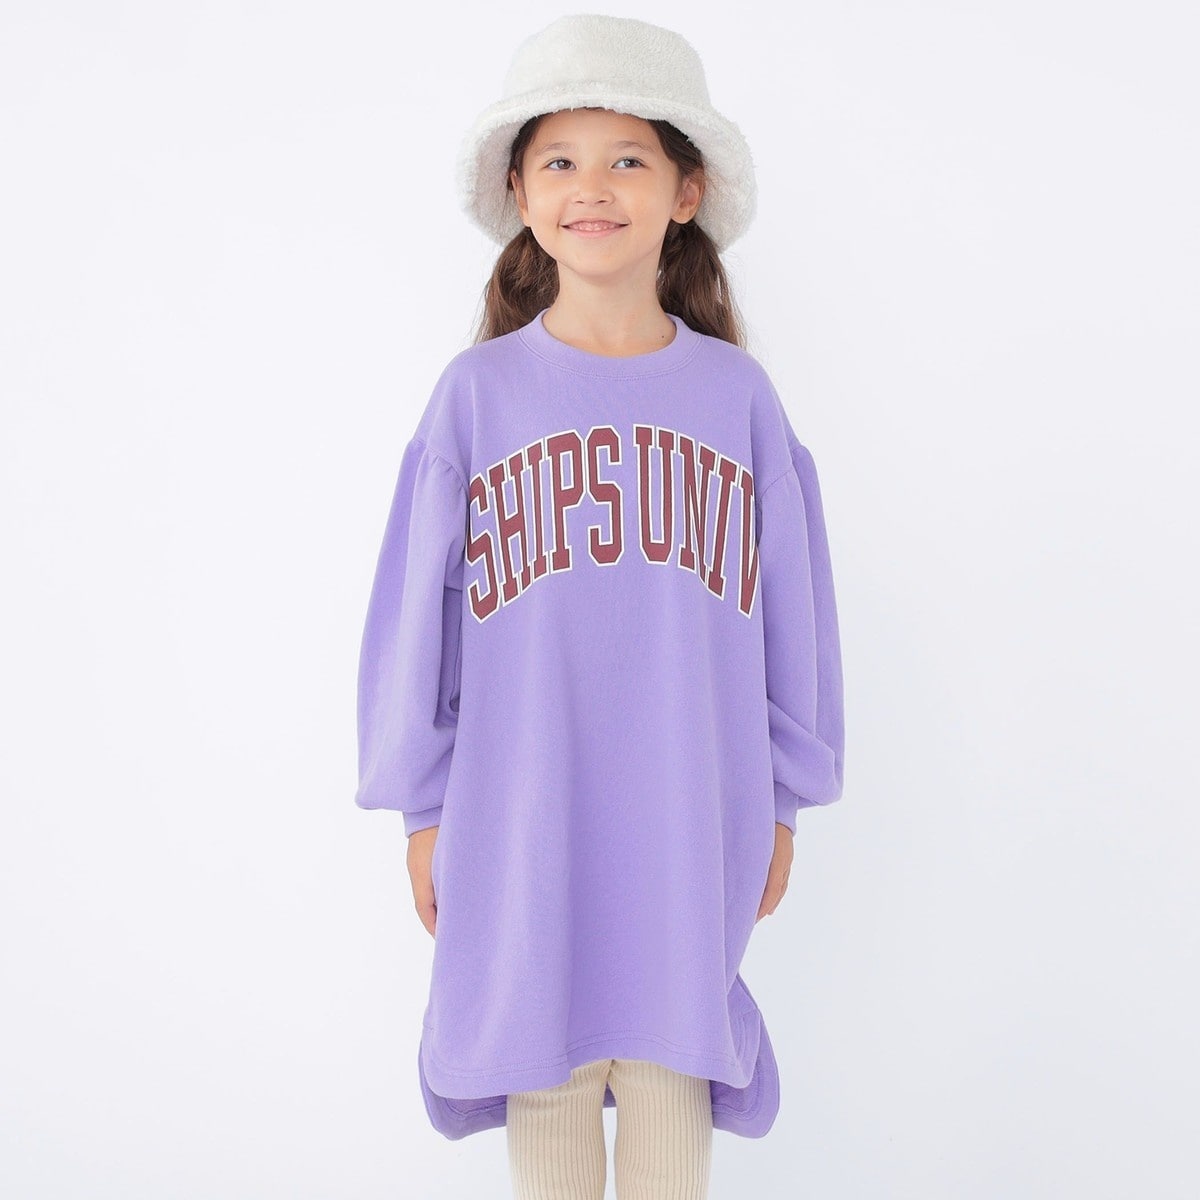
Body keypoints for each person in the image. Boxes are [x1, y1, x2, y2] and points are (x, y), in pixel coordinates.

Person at [353, 13, 845, 1200]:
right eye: (561, 160)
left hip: (692, 815)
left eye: (628, 157)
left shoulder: (737, 399)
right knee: (546, 1068)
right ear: (520, 191)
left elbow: (797, 621)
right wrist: (423, 806)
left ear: (686, 190)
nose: (593, 187)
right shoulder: (478, 397)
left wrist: (783, 798)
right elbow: (416, 624)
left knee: (674, 1072)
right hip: (519, 817)